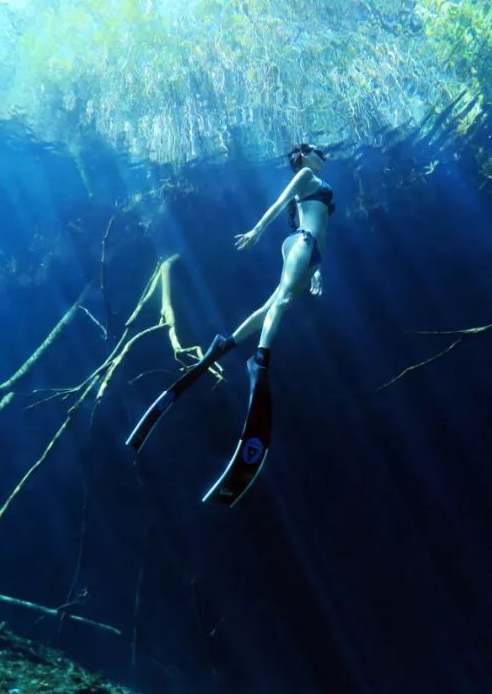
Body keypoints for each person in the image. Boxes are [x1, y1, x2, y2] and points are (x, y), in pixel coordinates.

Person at [126, 143, 335, 504]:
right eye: (315, 149)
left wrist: (318, 269)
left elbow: (320, 225)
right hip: (301, 243)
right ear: (301, 156)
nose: (322, 153)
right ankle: (260, 360)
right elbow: (279, 204)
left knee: (271, 304)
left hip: (311, 249)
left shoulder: (315, 181)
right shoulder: (305, 175)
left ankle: (224, 345)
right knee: (281, 303)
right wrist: (255, 231)